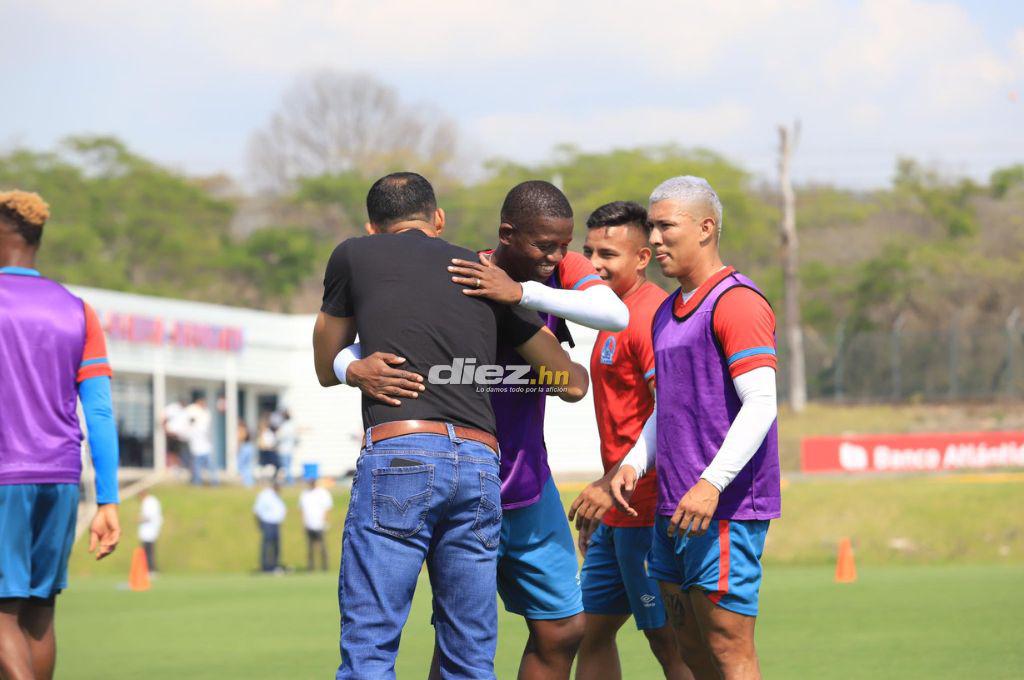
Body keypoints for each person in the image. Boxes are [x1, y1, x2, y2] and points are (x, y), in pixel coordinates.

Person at [313, 172, 588, 680]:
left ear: (372, 227)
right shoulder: (480, 273)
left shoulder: (353, 254)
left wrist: (352, 370)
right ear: (438, 220)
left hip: (402, 454)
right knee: (468, 657)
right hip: (481, 467)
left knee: (371, 649)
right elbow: (571, 383)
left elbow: (323, 361)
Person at [611, 176, 781, 680]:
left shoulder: (737, 302)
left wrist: (712, 483)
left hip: (724, 509)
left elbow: (762, 403)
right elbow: (671, 406)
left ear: (706, 228)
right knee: (688, 648)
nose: (654, 240)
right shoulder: (666, 311)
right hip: (674, 508)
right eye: (652, 228)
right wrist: (635, 461)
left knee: (729, 649)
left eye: (666, 227)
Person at [564, 202, 689, 679]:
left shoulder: (650, 316)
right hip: (616, 509)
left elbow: (669, 411)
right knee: (587, 631)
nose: (593, 264)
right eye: (588, 251)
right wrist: (603, 497)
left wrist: (612, 485)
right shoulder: (612, 316)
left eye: (608, 254)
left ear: (642, 257)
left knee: (669, 642)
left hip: (647, 509)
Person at [0, 190, 121, 680]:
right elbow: (100, 412)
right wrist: (108, 500)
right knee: (38, 613)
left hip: (5, 477)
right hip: (61, 480)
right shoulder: (77, 309)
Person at [299, 478, 333, 571]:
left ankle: (325, 567)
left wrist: (326, 521)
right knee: (310, 548)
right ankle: (311, 567)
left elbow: (327, 508)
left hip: (320, 524)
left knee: (322, 547)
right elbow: (302, 510)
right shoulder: (305, 494)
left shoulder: (322, 493)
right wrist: (304, 523)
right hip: (309, 524)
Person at [253, 481, 286, 573]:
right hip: (267, 523)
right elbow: (257, 510)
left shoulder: (277, 496)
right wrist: (260, 524)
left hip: (276, 524)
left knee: (276, 546)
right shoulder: (265, 495)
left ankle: (275, 565)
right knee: (267, 545)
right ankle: (265, 566)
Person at [186, 396, 217, 486]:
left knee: (211, 467)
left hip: (206, 447)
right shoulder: (192, 410)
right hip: (196, 448)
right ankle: (197, 482)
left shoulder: (206, 413)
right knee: (197, 467)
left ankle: (214, 482)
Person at [137, 489, 163, 573]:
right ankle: (148, 569)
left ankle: (151, 570)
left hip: (149, 531)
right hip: (149, 531)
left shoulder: (149, 502)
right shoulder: (151, 501)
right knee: (147, 552)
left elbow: (149, 516)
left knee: (149, 552)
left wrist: (140, 519)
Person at [275, 410, 298, 485]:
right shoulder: (292, 426)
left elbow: (279, 437)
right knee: (288, 467)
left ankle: (290, 482)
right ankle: (290, 481)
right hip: (290, 449)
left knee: (285, 467)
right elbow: (295, 438)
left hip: (284, 450)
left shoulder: (283, 426)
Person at [256, 415, 279, 481]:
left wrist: (265, 446)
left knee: (270, 468)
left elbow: (270, 444)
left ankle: (272, 480)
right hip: (263, 453)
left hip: (269, 453)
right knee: (262, 468)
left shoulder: (269, 433)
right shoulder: (261, 433)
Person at [237, 421, 256, 487]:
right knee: (247, 467)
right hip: (249, 447)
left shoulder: (242, 430)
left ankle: (248, 483)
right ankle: (249, 482)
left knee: (244, 467)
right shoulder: (247, 430)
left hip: (245, 447)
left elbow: (241, 438)